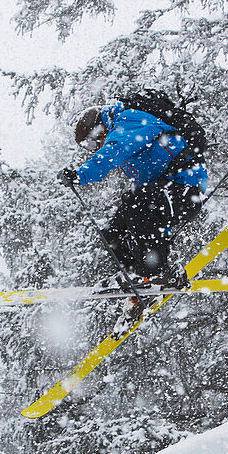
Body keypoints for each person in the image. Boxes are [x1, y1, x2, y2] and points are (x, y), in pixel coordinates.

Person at [59, 97, 208, 327]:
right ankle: (135, 277)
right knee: (114, 229)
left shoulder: (127, 120)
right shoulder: (120, 130)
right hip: (167, 190)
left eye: (89, 144)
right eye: (88, 148)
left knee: (137, 203)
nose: (93, 149)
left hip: (187, 186)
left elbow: (115, 150)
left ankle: (158, 272)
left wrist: (81, 174)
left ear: (99, 130)